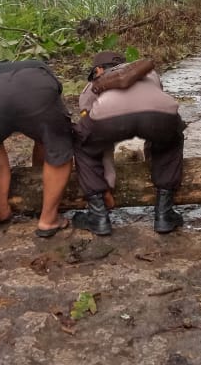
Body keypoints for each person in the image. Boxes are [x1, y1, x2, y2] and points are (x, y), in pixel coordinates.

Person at [73, 51, 186, 236]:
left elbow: (97, 142)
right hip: (160, 116)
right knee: (169, 142)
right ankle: (164, 214)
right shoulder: (149, 73)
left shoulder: (90, 88)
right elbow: (153, 101)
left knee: (83, 145)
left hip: (110, 118)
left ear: (99, 69)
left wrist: (108, 182)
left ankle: (98, 216)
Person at [0, 60, 73, 239]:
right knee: (56, 144)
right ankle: (48, 219)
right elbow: (50, 137)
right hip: (37, 92)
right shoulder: (39, 68)